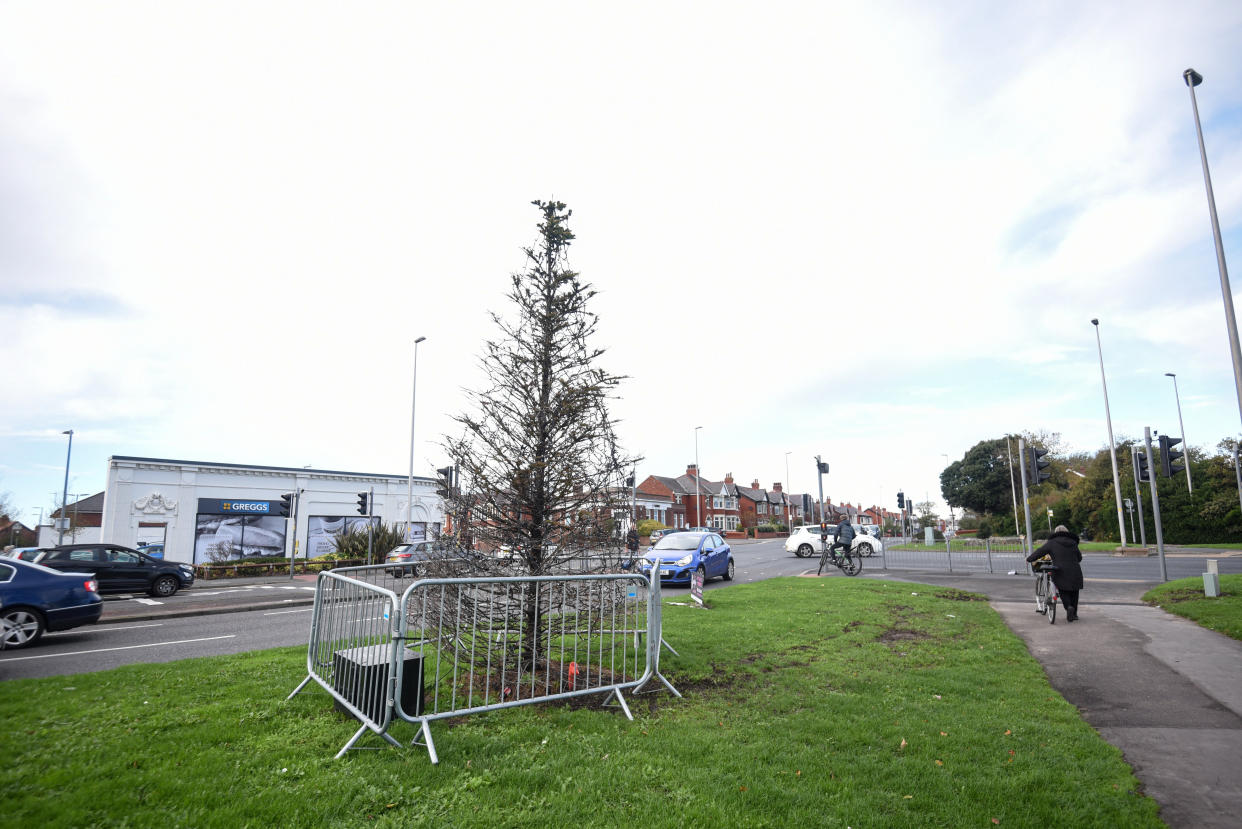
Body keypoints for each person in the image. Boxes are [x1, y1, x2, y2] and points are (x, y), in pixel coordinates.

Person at [1026, 524, 1084, 622]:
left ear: (1056, 533)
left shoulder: (1052, 542)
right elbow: (1079, 558)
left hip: (1059, 570)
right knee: (1074, 591)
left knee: (1063, 590)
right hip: (1075, 570)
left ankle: (1068, 607)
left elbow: (1040, 551)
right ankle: (1074, 614)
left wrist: (1029, 559)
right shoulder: (1073, 542)